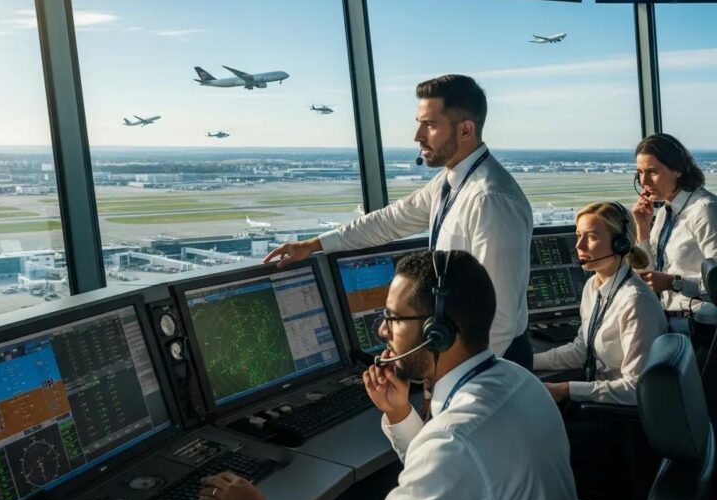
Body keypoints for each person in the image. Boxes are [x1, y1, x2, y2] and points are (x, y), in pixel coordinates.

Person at [200, 250, 587, 500]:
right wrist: (401, 415)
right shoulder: (520, 382)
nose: (382, 330)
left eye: (394, 318)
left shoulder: (455, 442)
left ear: (437, 334)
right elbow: (459, 479)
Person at [264, 75, 534, 367]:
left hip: (489, 364)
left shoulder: (491, 200)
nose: (417, 135)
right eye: (419, 123)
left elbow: (499, 319)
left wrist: (443, 378)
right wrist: (315, 244)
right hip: (457, 354)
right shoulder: (451, 181)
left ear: (466, 130)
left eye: (429, 125)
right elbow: (390, 220)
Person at [534, 201, 667, 405]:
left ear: (620, 244)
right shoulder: (592, 287)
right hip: (598, 399)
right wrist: (527, 361)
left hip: (621, 412)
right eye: (579, 235)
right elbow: (582, 351)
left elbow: (636, 388)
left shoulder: (636, 301)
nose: (579, 246)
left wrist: (567, 390)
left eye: (591, 237)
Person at [632, 133, 717, 316]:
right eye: (640, 173)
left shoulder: (705, 210)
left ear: (678, 170)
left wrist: (675, 283)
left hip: (698, 320)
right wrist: (642, 229)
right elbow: (648, 275)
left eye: (652, 172)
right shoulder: (665, 211)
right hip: (664, 315)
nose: (644, 182)